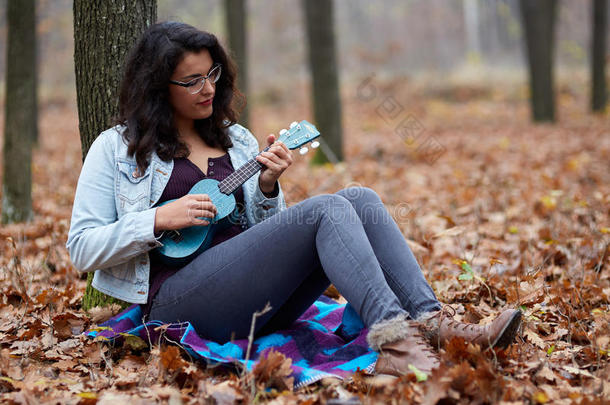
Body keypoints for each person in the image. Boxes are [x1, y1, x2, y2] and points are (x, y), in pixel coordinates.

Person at [66, 21, 521, 376]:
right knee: (326, 208)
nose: (208, 88)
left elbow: (270, 238)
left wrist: (266, 189)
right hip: (177, 304)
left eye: (212, 74)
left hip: (256, 299)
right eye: (191, 81)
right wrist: (158, 219)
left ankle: (432, 322)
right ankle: (396, 343)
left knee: (358, 198)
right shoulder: (117, 148)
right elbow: (82, 248)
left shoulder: (237, 140)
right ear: (157, 87)